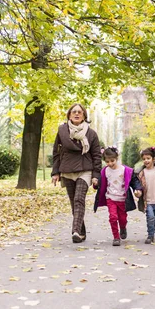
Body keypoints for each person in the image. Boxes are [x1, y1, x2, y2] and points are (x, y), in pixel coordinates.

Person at [52, 103, 102, 243]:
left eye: (80, 112)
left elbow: (97, 156)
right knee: (74, 204)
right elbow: (56, 152)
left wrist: (95, 175)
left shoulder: (91, 134)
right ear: (69, 115)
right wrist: (55, 172)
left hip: (84, 170)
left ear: (84, 115)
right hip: (67, 170)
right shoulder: (62, 131)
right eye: (74, 111)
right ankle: (81, 231)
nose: (76, 114)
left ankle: (75, 231)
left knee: (79, 200)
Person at [94, 147, 142, 246]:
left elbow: (134, 181)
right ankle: (116, 237)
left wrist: (138, 189)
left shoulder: (125, 170)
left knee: (122, 218)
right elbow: (100, 183)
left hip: (123, 199)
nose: (110, 163)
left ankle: (123, 227)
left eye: (112, 161)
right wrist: (95, 183)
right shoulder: (105, 171)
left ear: (117, 158)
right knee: (113, 217)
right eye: (107, 161)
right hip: (110, 198)